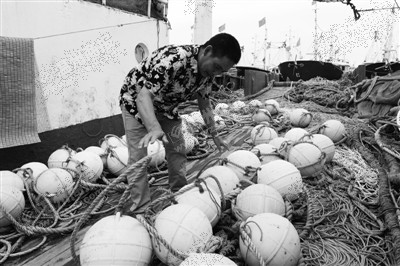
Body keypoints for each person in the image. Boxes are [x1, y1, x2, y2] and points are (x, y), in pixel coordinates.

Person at [119, 33, 242, 214]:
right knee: (138, 159)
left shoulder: (207, 74)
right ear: (207, 51)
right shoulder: (175, 59)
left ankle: (179, 193)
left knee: (178, 149)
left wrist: (214, 134)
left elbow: (204, 102)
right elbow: (144, 96)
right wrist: (154, 127)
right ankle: (142, 209)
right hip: (135, 102)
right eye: (216, 67)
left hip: (166, 108)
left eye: (221, 71)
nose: (216, 73)